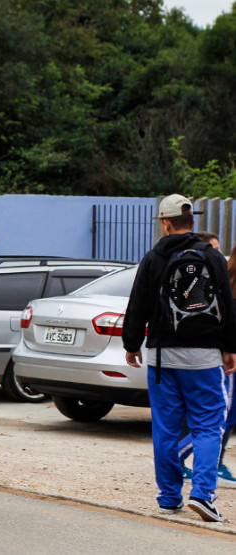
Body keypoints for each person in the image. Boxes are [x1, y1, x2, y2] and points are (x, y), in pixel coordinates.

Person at [121, 194, 236, 522]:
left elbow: (138, 304)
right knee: (208, 426)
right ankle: (202, 494)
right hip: (205, 358)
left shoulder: (153, 258)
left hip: (163, 358)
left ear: (165, 224)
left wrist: (132, 344)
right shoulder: (212, 256)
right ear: (193, 222)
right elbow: (228, 304)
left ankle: (169, 498)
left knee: (166, 429)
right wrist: (231, 347)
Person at [180, 240, 236, 488]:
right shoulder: (223, 279)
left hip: (220, 356)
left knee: (224, 416)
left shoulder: (222, 276)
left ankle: (212, 464)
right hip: (225, 359)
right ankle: (174, 457)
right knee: (219, 417)